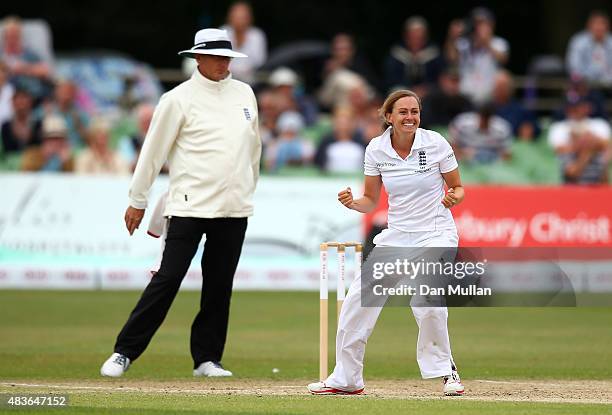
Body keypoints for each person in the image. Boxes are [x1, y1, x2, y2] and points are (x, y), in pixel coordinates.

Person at [100, 28, 262, 378]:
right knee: (168, 279)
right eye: (216, 57)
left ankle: (207, 359)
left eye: (227, 58)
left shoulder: (245, 93)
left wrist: (249, 188)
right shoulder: (177, 99)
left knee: (219, 287)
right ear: (197, 58)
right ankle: (124, 352)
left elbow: (254, 149)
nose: (222, 64)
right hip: (188, 206)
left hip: (234, 208)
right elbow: (152, 153)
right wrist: (137, 200)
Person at [308, 90, 465, 396]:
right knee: (358, 300)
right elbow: (371, 200)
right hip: (397, 234)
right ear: (389, 116)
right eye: (403, 112)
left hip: (436, 232)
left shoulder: (435, 143)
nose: (410, 118)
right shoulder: (377, 149)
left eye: (415, 112)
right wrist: (353, 203)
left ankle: (446, 372)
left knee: (426, 299)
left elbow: (458, 187)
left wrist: (452, 197)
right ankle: (347, 378)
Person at [445, 8, 509, 105]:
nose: (478, 27)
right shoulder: (464, 43)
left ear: (491, 25)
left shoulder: (498, 43)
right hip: (465, 95)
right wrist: (452, 37)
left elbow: (503, 59)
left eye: (482, 24)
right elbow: (451, 58)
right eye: (476, 24)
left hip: (489, 97)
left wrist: (486, 42)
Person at [548, 97, 611, 184]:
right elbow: (571, 172)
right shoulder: (559, 128)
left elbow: (606, 146)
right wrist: (586, 153)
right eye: (573, 108)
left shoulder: (599, 124)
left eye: (579, 107)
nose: (576, 111)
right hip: (573, 190)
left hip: (596, 187)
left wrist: (592, 145)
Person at [383, 16, 445, 96]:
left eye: (420, 38)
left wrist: (426, 88)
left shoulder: (433, 53)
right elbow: (390, 79)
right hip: (402, 90)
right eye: (413, 37)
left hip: (428, 92)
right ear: (406, 37)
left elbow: (440, 77)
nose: (416, 41)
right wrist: (409, 90)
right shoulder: (397, 54)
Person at [566, 10, 612, 86]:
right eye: (596, 24)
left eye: (602, 24)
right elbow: (574, 67)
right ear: (589, 26)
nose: (599, 27)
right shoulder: (579, 42)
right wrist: (591, 77)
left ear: (608, 26)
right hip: (586, 84)